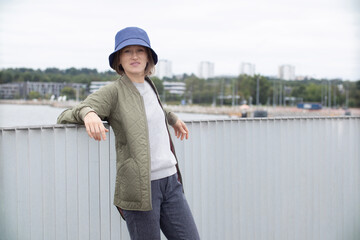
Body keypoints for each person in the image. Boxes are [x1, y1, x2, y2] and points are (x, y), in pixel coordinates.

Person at [57, 27, 200, 240]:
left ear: (148, 57)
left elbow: (149, 110)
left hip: (171, 182)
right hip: (140, 188)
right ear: (119, 60)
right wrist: (89, 114)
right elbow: (67, 113)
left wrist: (171, 118)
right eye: (127, 51)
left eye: (140, 50)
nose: (134, 56)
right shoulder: (113, 91)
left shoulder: (150, 85)